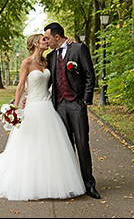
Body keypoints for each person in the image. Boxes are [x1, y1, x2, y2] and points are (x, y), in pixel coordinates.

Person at [0, 34, 86, 201]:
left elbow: (55, 73)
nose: (47, 41)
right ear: (36, 43)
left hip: (48, 107)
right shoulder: (27, 62)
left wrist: (69, 41)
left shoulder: (47, 61)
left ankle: (47, 182)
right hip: (33, 108)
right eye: (44, 39)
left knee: (49, 146)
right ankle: (29, 183)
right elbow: (21, 85)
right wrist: (15, 105)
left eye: (47, 39)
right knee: (30, 146)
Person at [43, 22, 100, 199]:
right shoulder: (51, 57)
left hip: (76, 104)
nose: (46, 41)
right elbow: (47, 82)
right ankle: (71, 183)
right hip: (59, 107)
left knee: (82, 144)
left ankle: (89, 185)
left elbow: (90, 75)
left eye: (48, 37)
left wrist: (85, 100)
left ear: (57, 37)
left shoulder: (78, 48)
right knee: (66, 147)